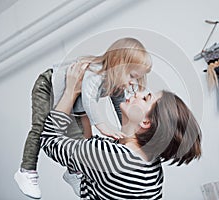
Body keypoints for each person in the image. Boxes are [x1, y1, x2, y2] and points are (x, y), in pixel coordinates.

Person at [40, 62, 202, 199]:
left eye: (146, 98)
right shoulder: (150, 161)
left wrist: (71, 92)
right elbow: (115, 137)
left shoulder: (114, 158)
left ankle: (76, 173)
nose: (139, 93)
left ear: (146, 121)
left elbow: (48, 140)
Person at [14, 37, 152, 199]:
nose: (132, 84)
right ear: (117, 63)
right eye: (132, 76)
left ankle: (74, 172)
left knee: (81, 139)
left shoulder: (116, 83)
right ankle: (27, 169)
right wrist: (103, 126)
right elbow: (88, 101)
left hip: (71, 100)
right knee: (39, 128)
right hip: (48, 86)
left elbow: (119, 105)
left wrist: (127, 133)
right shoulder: (96, 73)